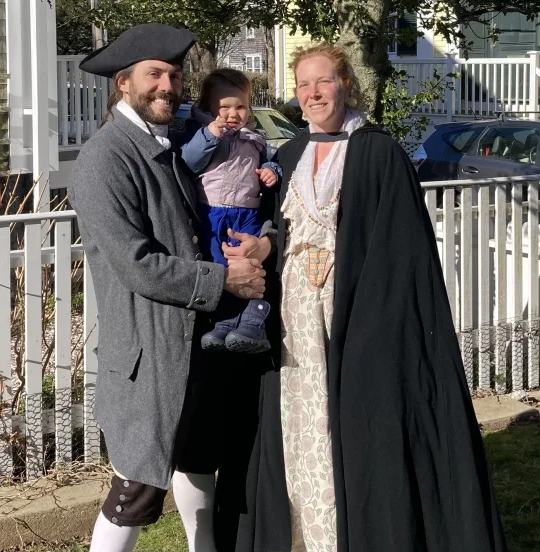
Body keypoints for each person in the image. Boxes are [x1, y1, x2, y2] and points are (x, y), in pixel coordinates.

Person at [216, 43, 508, 552]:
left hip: (358, 315)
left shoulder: (378, 152)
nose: (312, 94)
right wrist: (264, 245)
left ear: (345, 84)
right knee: (298, 424)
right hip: (293, 320)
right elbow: (283, 231)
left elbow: (399, 250)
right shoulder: (288, 154)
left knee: (350, 429)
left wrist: (370, 324)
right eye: (303, 85)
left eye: (322, 82)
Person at [68, 23, 267, 552]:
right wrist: (224, 279)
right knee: (135, 489)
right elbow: (137, 264)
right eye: (154, 74)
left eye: (175, 75)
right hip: (148, 355)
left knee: (198, 464)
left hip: (195, 343)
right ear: (123, 84)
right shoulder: (104, 159)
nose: (168, 85)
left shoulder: (168, 145)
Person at [179, 68, 283, 353]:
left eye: (240, 106)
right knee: (219, 266)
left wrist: (272, 172)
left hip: (247, 212)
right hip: (211, 213)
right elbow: (189, 162)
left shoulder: (254, 138)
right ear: (208, 108)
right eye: (224, 107)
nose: (232, 114)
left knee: (248, 264)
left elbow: (269, 161)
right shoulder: (203, 134)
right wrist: (211, 135)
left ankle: (254, 316)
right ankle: (224, 320)